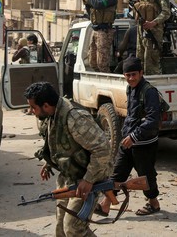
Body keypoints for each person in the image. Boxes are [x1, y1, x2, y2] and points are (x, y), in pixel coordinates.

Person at [24, 82, 112, 237]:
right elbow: (57, 141)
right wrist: (49, 162)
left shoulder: (75, 118)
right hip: (68, 177)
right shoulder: (51, 114)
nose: (31, 111)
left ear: (45, 105)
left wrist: (89, 180)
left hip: (86, 179)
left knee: (74, 228)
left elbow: (103, 149)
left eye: (33, 107)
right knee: (61, 229)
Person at [96, 57, 161, 216]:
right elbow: (131, 115)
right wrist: (127, 135)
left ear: (141, 73)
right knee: (117, 173)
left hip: (144, 143)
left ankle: (154, 203)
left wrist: (134, 136)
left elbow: (153, 120)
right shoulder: (130, 89)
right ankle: (105, 205)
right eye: (128, 75)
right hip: (128, 142)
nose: (131, 78)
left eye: (134, 74)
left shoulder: (149, 91)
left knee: (146, 177)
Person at [116, 0, 171, 75]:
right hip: (141, 28)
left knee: (151, 60)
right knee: (140, 57)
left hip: (154, 31)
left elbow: (166, 12)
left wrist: (153, 23)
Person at [80, 0, 118, 73]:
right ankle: (99, 78)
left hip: (105, 32)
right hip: (96, 31)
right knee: (92, 62)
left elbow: (98, 5)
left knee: (102, 63)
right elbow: (91, 10)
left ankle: (107, 80)